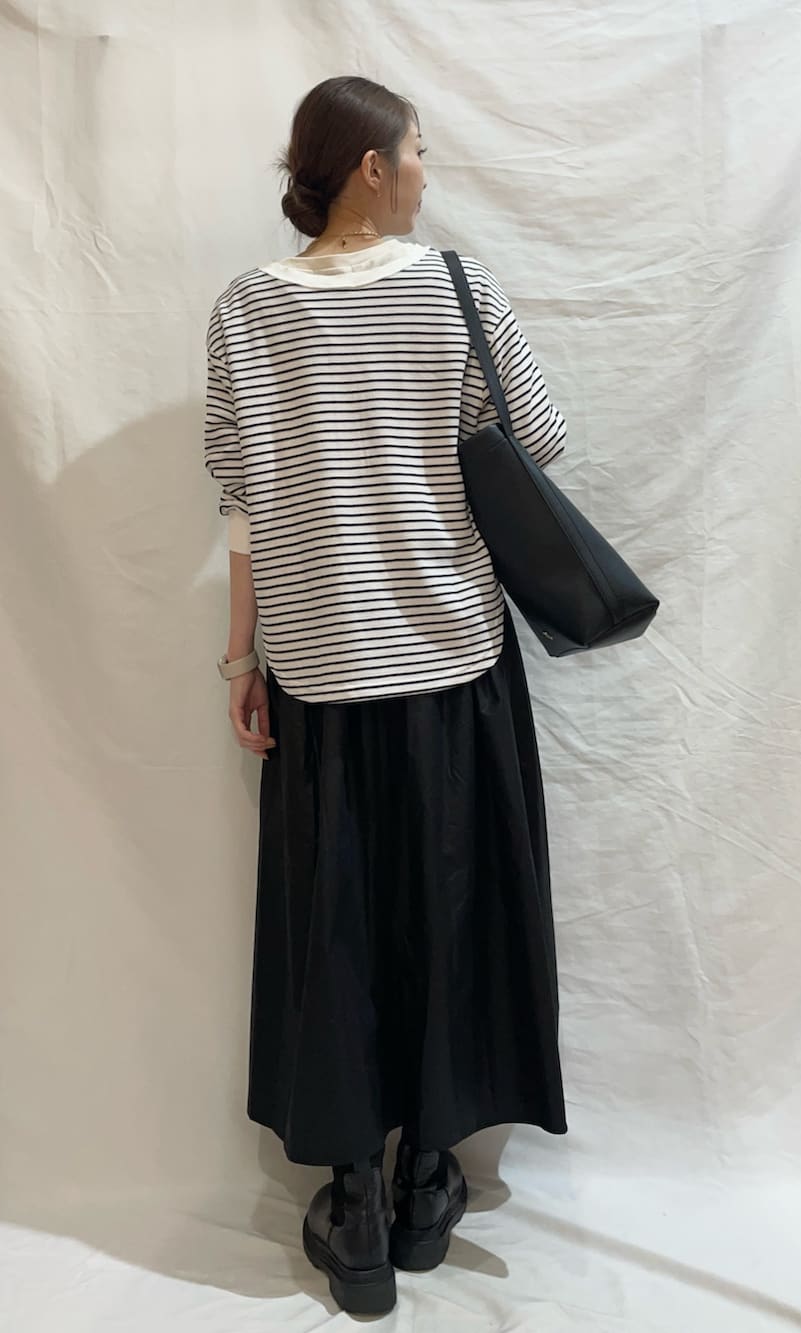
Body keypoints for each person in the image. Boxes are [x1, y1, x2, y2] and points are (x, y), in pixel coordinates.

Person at [203, 75, 569, 1317]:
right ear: (369, 165)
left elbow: (243, 504)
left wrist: (242, 661)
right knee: (452, 916)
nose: (423, 172)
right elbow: (536, 441)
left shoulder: (246, 308)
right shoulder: (457, 291)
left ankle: (352, 1203)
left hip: (317, 672)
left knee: (336, 930)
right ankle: (424, 1186)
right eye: (415, 150)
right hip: (453, 663)